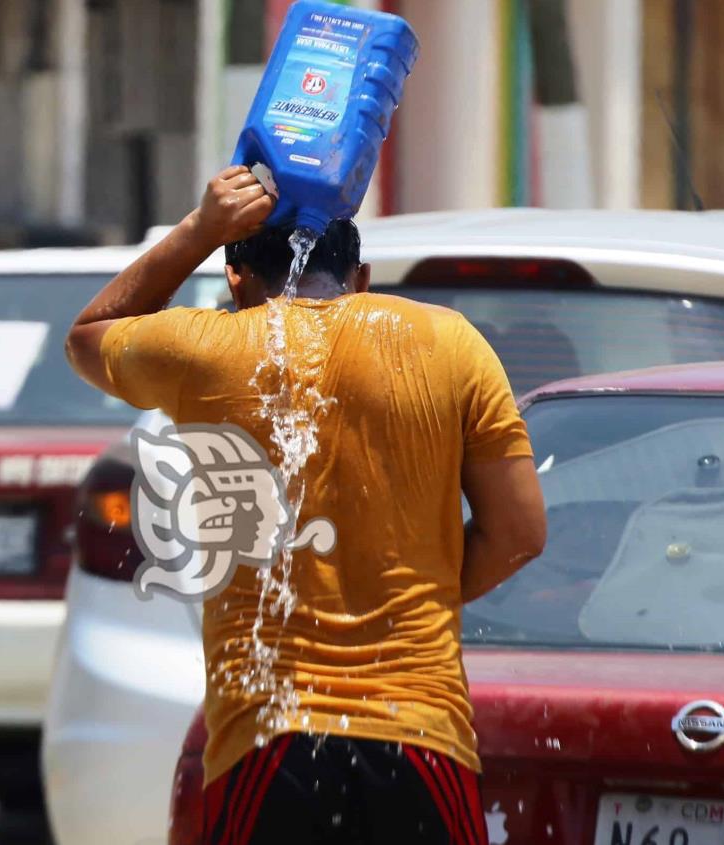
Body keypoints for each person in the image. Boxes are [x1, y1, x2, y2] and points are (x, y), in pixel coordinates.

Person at [66, 165, 547, 845]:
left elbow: (90, 335)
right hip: (417, 727)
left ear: (235, 279)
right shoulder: (450, 343)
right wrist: (419, 589)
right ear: (360, 277)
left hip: (265, 733)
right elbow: (520, 532)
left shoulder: (205, 349)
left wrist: (202, 229)